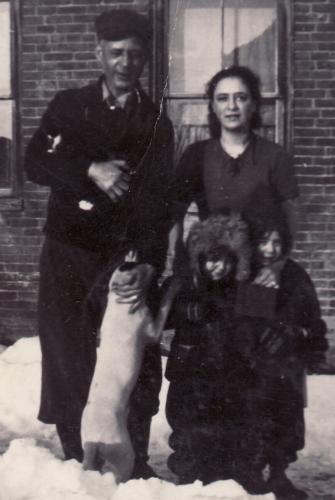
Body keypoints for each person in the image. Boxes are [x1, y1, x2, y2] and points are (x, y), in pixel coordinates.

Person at [24, 8, 174, 478]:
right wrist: (90, 168)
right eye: (115, 53)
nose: (125, 62)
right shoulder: (68, 106)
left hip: (125, 258)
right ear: (99, 54)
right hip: (68, 251)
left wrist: (149, 263)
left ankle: (138, 457)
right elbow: (33, 163)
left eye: (134, 54)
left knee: (133, 355)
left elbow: (160, 203)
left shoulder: (156, 122)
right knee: (68, 351)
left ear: (144, 60)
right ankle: (77, 455)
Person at [164, 213, 274, 493]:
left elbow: (265, 327)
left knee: (239, 424)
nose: (218, 267)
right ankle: (190, 474)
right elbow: (162, 316)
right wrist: (184, 309)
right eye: (211, 260)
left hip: (234, 374)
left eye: (225, 260)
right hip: (192, 374)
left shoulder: (248, 290)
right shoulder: (187, 289)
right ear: (199, 260)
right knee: (189, 427)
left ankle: (242, 473)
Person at [230, 209, 330, 499]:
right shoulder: (243, 272)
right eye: (264, 241)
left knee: (286, 423)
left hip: (288, 367)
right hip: (252, 369)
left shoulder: (295, 275)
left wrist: (309, 343)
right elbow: (238, 321)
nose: (270, 249)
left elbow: (311, 315)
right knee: (253, 419)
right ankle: (248, 473)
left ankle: (278, 474)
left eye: (276, 242)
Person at [169, 65, 299, 287]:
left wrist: (277, 266)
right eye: (222, 98)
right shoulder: (196, 155)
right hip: (213, 270)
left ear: (254, 105)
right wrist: (181, 261)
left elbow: (291, 221)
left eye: (240, 98)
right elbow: (174, 213)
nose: (232, 106)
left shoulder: (275, 156)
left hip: (261, 273)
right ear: (213, 106)